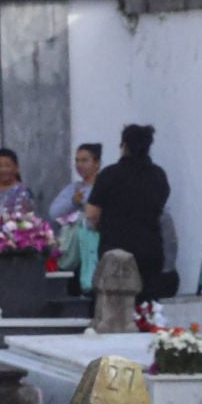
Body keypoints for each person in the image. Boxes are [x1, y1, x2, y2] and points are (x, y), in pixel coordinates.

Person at [85, 123, 172, 301]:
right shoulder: (158, 175)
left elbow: (92, 214)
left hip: (116, 252)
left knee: (115, 306)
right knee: (147, 306)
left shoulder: (109, 174)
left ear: (124, 146)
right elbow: (160, 206)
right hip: (151, 250)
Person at [48, 143, 103, 223]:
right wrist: (73, 202)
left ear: (97, 163)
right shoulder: (73, 188)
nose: (79, 165)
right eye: (77, 160)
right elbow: (53, 213)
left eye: (84, 160)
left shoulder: (105, 186)